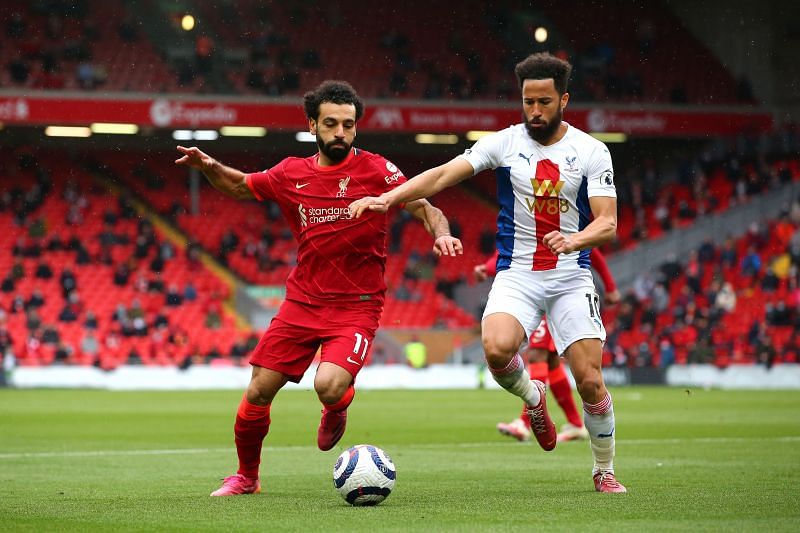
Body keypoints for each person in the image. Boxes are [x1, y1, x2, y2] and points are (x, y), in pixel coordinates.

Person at [350, 53, 626, 493]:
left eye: (544, 101)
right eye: (527, 101)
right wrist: (390, 198)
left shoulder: (592, 151)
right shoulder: (504, 143)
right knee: (497, 351)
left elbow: (607, 222)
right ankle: (534, 399)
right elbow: (442, 175)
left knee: (589, 380)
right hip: (517, 272)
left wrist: (574, 240)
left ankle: (603, 470)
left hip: (571, 275)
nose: (534, 110)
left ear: (564, 100)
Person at [175, 80, 463, 497]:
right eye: (331, 124)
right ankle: (247, 477)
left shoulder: (378, 170)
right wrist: (208, 166)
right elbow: (241, 185)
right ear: (313, 125)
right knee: (258, 390)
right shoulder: (292, 172)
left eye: (348, 124)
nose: (340, 133)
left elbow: (425, 205)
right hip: (302, 302)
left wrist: (441, 233)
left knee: (326, 384)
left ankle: (336, 406)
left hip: (357, 305)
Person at [475, 248, 620, 443]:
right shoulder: (519, 225)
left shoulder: (565, 223)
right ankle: (575, 423)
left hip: (560, 290)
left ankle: (524, 422)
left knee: (538, 355)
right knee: (550, 362)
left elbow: (592, 249)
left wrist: (610, 286)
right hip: (528, 289)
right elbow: (507, 251)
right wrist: (487, 267)